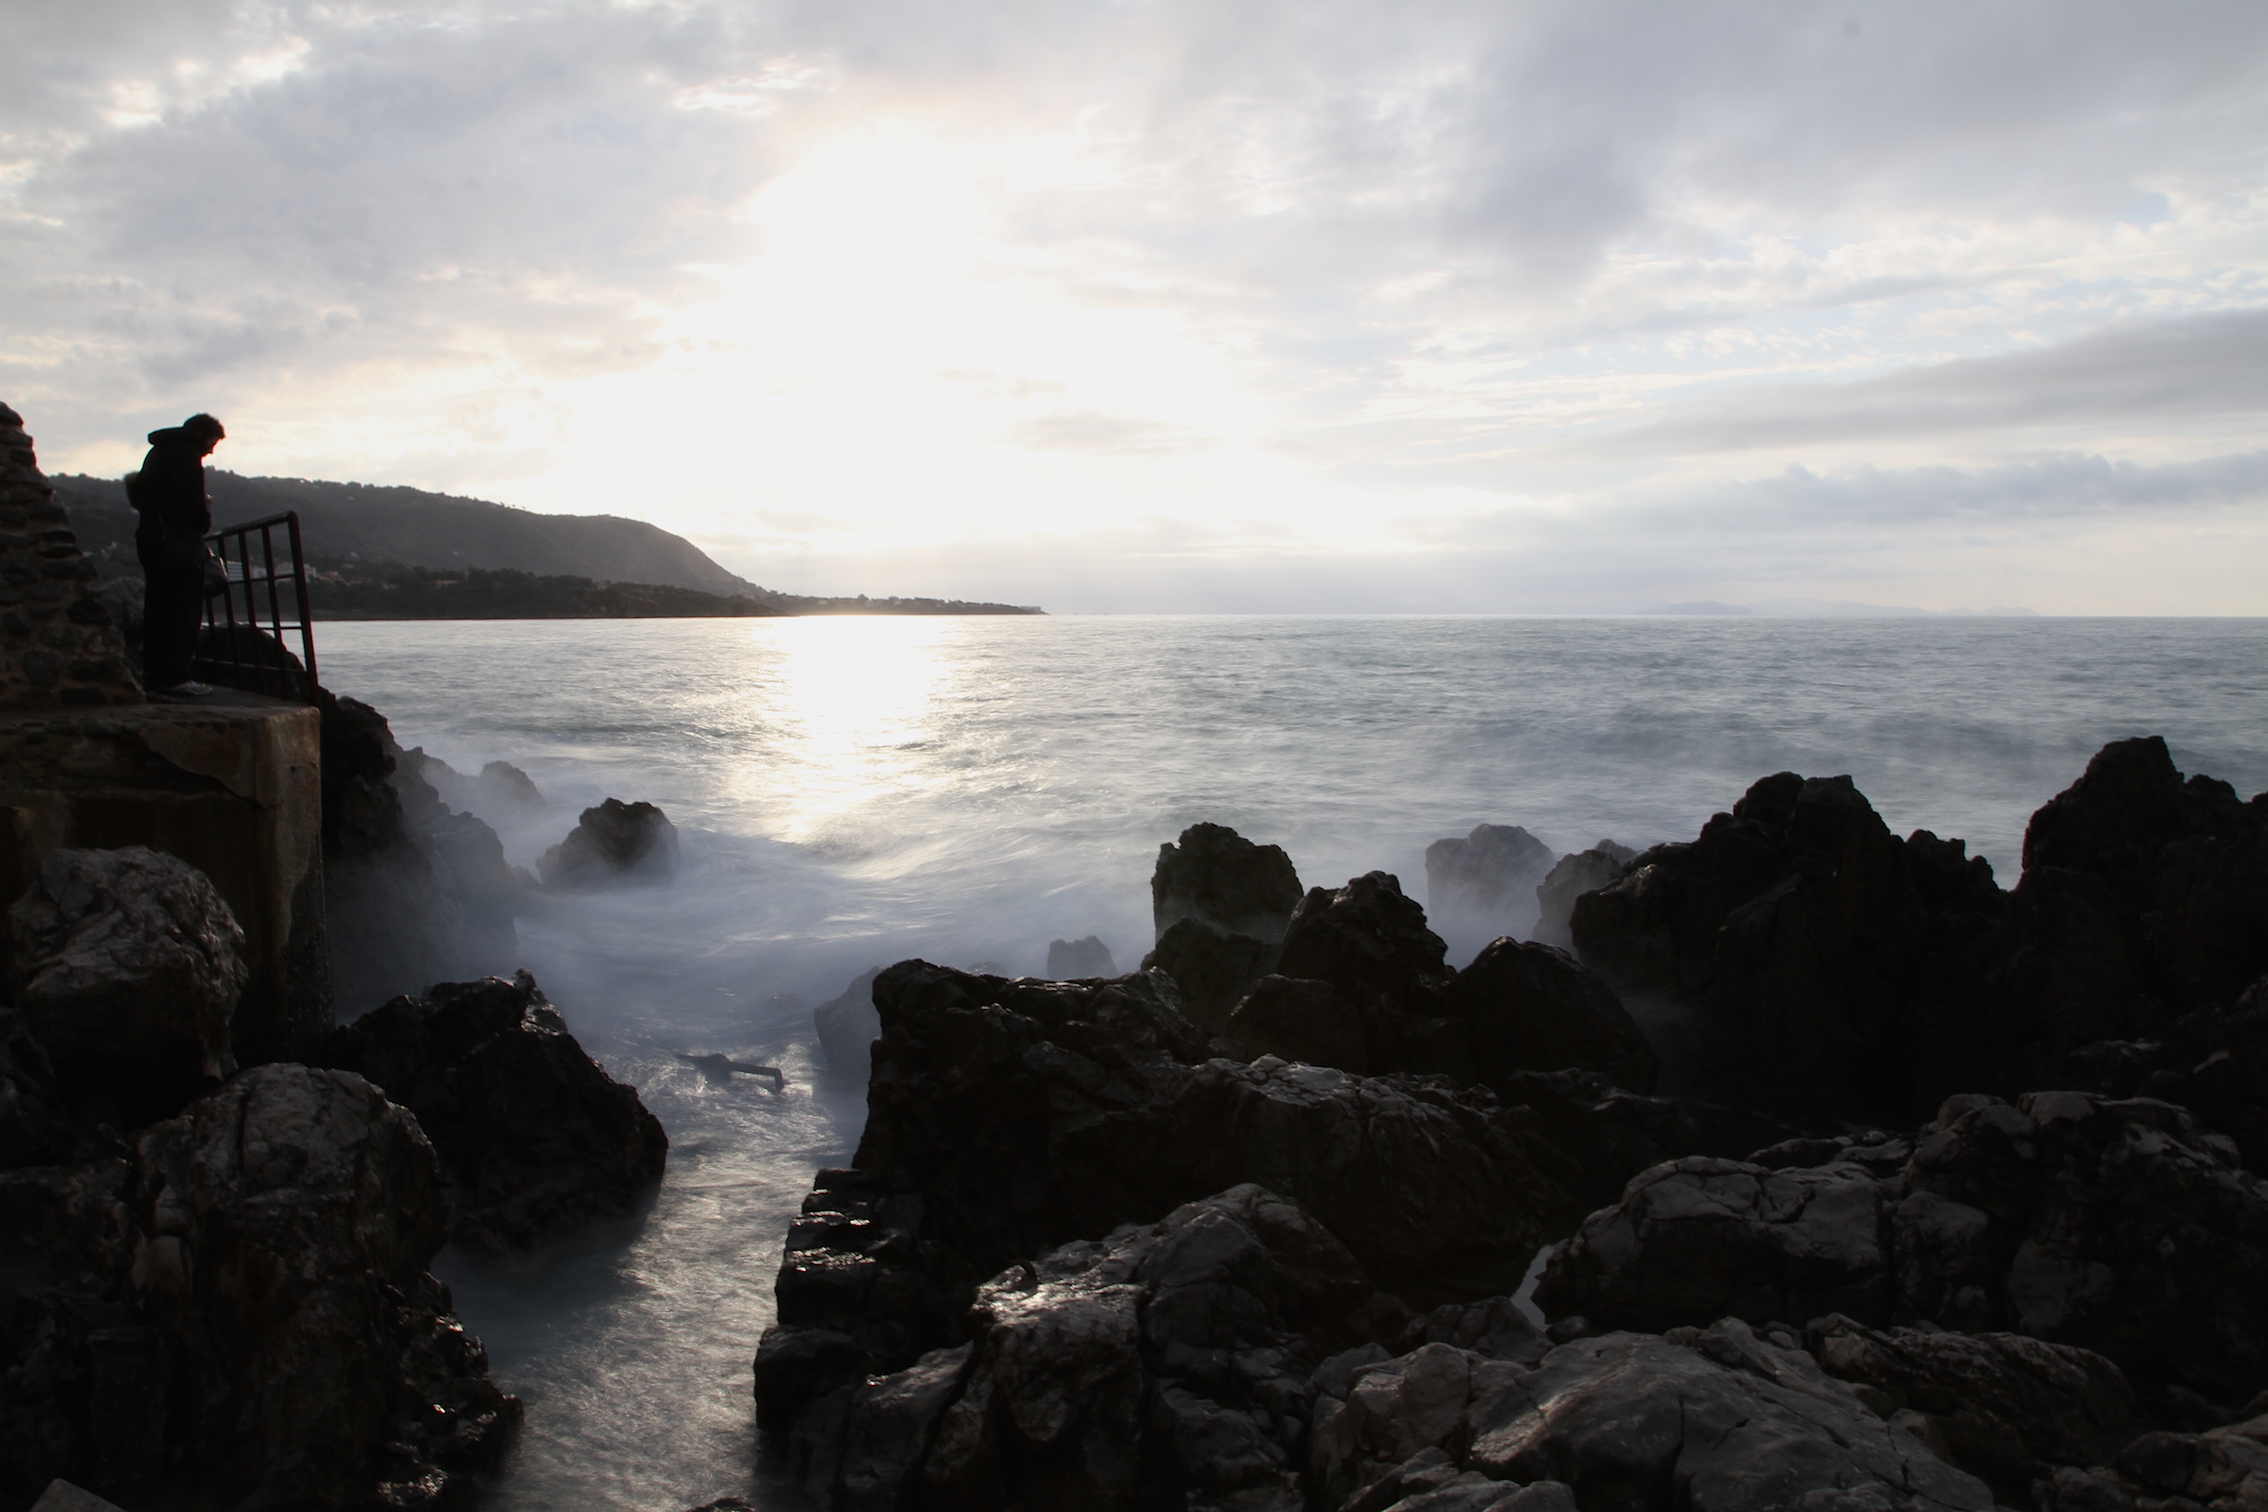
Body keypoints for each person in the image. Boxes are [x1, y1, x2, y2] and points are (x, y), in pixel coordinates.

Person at [131, 412, 225, 696]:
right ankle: (175, 677)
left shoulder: (158, 452)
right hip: (177, 541)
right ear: (203, 435)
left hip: (153, 539)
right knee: (181, 610)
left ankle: (157, 676)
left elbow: (142, 492)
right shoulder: (186, 454)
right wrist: (202, 514)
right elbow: (184, 499)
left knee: (160, 610)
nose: (211, 451)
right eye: (212, 443)